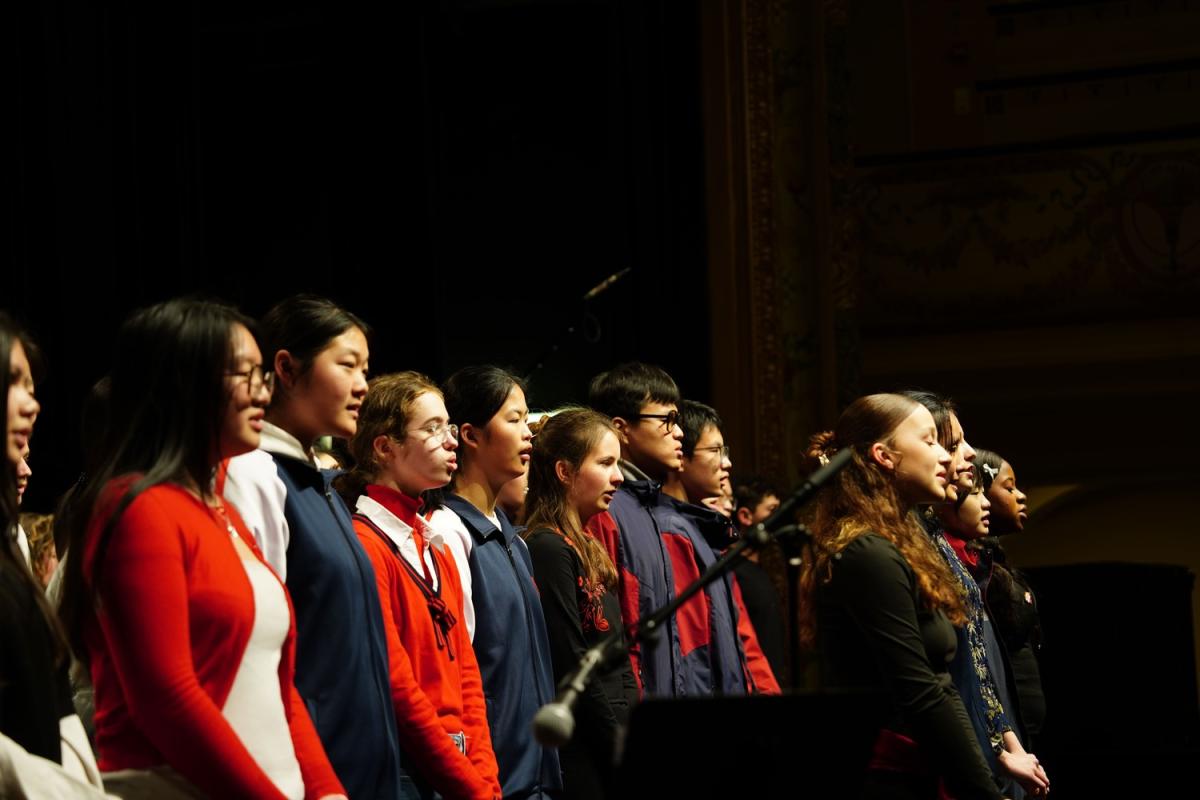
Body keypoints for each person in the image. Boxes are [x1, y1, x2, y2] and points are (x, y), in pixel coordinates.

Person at [57, 299, 345, 798]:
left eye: (262, 374)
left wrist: (326, 790)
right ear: (183, 384)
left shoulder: (220, 509)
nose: (263, 391)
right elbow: (166, 696)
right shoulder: (139, 508)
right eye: (244, 374)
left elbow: (278, 689)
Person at [221, 295, 407, 798]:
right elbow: (264, 649)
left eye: (365, 369)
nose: (363, 384)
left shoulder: (319, 485)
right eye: (347, 365)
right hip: (313, 772)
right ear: (285, 369)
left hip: (364, 767)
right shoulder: (254, 474)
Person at [800, 393, 1003, 799]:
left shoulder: (898, 543)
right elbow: (919, 690)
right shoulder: (866, 552)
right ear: (884, 456)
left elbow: (940, 686)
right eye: (929, 441)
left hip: (917, 771)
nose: (945, 457)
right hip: (888, 778)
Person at [338, 371, 502, 800]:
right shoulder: (365, 545)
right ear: (384, 447)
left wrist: (486, 781)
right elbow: (398, 686)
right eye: (432, 429)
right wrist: (470, 786)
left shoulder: (435, 545)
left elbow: (468, 676)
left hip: (458, 773)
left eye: (449, 426)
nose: (451, 441)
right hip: (405, 771)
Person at [585, 367, 779, 697]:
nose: (677, 433)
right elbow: (616, 636)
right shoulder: (607, 513)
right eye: (667, 420)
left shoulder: (664, 515)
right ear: (622, 428)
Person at [900, 391, 1047, 798]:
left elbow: (979, 661)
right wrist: (994, 752)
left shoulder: (938, 541)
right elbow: (942, 674)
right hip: (942, 758)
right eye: (950, 445)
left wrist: (1006, 740)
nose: (966, 454)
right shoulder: (912, 540)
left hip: (984, 745)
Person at [426, 366, 561, 800]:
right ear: (469, 434)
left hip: (537, 775)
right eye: (514, 419)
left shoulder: (512, 539)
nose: (528, 433)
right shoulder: (448, 532)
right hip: (494, 778)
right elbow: (456, 674)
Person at [523, 408, 639, 800]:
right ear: (564, 471)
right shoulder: (547, 546)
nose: (618, 477)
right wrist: (615, 741)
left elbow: (616, 654)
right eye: (605, 463)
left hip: (612, 732)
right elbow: (570, 658)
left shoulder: (587, 544)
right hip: (583, 745)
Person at [975, 448, 1046, 752]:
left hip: (1023, 736)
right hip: (1000, 739)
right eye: (1009, 487)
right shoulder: (972, 570)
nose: (1021, 496)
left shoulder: (996, 564)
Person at [729, 474, 788, 685]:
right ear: (745, 516)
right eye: (772, 510)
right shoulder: (732, 571)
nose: (780, 517)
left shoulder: (766, 568)